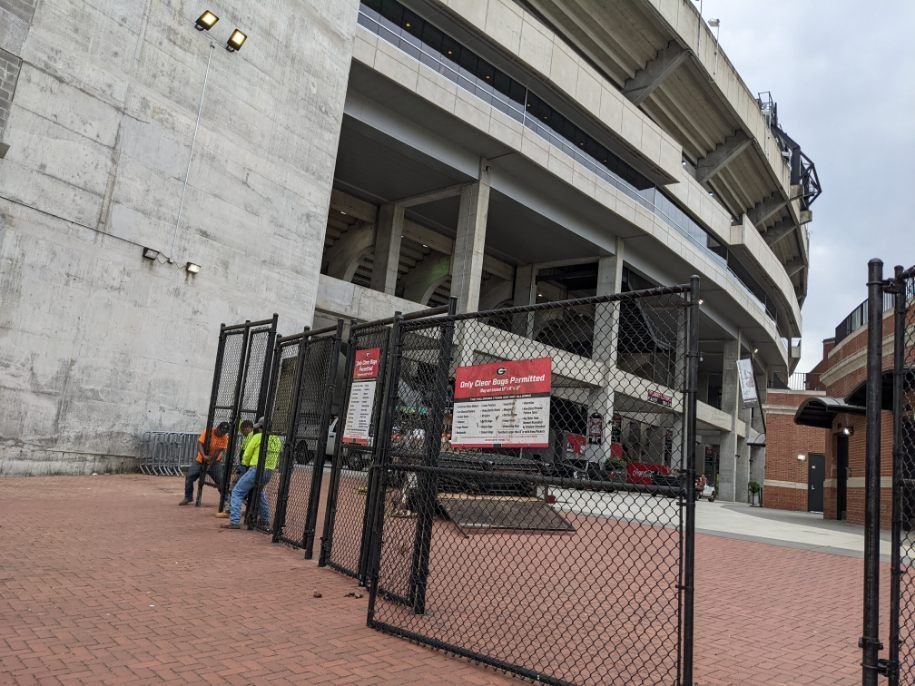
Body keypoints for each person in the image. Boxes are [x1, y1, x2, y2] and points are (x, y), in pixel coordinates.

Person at [220, 418, 282, 529]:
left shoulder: (258, 437)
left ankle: (234, 521)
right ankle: (265, 520)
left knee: (237, 492)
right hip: (269, 471)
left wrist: (245, 464)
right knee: (259, 493)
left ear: (261, 427)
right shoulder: (276, 439)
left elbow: (247, 454)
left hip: (256, 469)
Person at [180, 421, 230, 505]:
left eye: (224, 432)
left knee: (221, 481)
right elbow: (200, 444)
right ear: (218, 428)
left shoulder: (225, 438)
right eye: (221, 431)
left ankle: (226, 500)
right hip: (200, 460)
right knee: (189, 477)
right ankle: (188, 497)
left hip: (215, 461)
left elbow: (219, 451)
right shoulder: (209, 431)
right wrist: (204, 456)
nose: (222, 434)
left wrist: (210, 461)